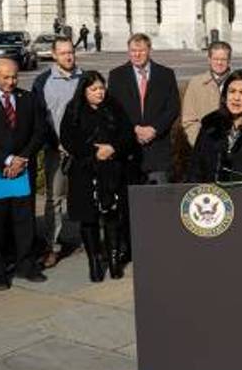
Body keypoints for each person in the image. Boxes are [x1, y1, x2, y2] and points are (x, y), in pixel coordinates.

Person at [0, 57, 47, 289]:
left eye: (15, 76)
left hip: (23, 169)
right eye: (6, 77)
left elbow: (39, 131)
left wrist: (22, 159)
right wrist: (7, 159)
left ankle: (26, 265)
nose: (11, 81)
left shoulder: (29, 99)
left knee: (25, 220)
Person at [107, 33, 180, 259]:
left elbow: (173, 108)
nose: (137, 55)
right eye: (133, 51)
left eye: (141, 50)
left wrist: (154, 129)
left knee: (159, 201)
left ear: (149, 50)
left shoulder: (166, 74)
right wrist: (134, 129)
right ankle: (130, 247)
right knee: (130, 202)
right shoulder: (116, 75)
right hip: (129, 149)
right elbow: (113, 109)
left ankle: (159, 246)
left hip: (157, 148)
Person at [59, 71, 136, 281]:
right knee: (88, 218)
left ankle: (113, 259)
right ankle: (94, 260)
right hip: (84, 172)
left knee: (112, 216)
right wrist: (93, 152)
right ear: (84, 91)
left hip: (111, 171)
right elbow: (67, 139)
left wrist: (113, 148)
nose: (99, 93)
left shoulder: (114, 107)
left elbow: (128, 134)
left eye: (102, 88)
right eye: (94, 89)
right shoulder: (73, 109)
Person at [32, 36, 83, 267]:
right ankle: (52, 246)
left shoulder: (86, 78)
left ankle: (87, 240)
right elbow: (38, 118)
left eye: (70, 52)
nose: (68, 56)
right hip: (56, 150)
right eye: (63, 53)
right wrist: (55, 144)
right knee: (54, 199)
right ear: (54, 55)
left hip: (83, 151)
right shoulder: (42, 81)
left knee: (86, 196)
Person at [189, 70, 242, 183]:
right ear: (225, 95)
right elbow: (196, 169)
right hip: (213, 197)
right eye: (232, 91)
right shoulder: (210, 124)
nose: (236, 98)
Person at [181, 41, 233, 147]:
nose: (219, 63)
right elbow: (189, 120)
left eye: (223, 59)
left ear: (229, 60)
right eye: (216, 59)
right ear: (209, 59)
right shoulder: (196, 83)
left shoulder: (239, 82)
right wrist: (200, 144)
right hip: (204, 147)